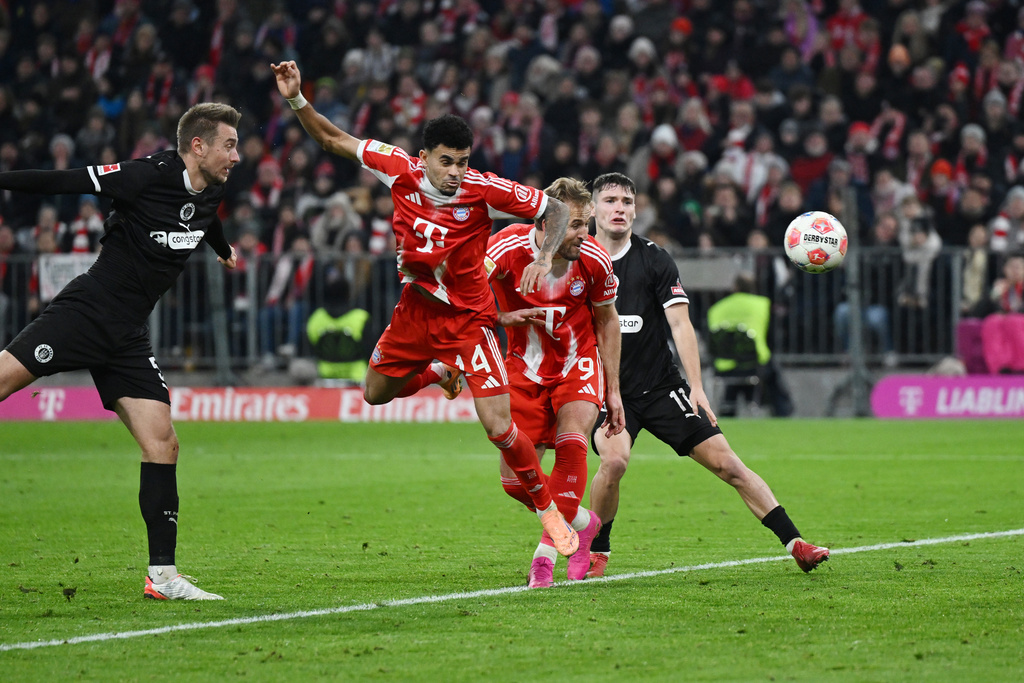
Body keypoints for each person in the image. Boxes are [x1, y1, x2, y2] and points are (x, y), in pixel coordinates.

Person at [272, 60, 581, 556]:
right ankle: (439, 373)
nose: (456, 172)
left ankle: (548, 511)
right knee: (373, 393)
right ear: (424, 157)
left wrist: (545, 257)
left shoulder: (486, 189)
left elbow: (558, 209)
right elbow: (333, 139)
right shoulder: (397, 167)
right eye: (446, 161)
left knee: (499, 426)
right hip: (415, 313)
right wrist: (296, 99)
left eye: (462, 160)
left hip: (469, 321)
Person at [0, 102, 242, 600]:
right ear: (198, 145)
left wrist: (221, 248)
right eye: (229, 145)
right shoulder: (143, 175)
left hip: (128, 334)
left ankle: (163, 577)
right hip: (87, 311)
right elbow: (61, 181)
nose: (236, 155)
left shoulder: (213, 188)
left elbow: (206, 216)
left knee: (163, 443)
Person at [585, 172, 829, 578]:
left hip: (662, 387)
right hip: (607, 391)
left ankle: (795, 543)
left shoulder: (655, 259)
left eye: (627, 202)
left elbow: (681, 326)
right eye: (610, 201)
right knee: (615, 462)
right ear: (593, 208)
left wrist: (696, 387)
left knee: (729, 464)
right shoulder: (580, 260)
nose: (619, 209)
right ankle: (598, 550)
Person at [486, 177, 624, 588]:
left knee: (572, 443)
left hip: (576, 363)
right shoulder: (506, 248)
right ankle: (584, 521)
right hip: (523, 370)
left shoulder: (595, 259)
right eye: (573, 224)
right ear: (545, 222)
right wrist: (499, 318)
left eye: (585, 223)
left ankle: (545, 556)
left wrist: (612, 390)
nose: (583, 233)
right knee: (514, 482)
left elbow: (607, 320)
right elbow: (466, 296)